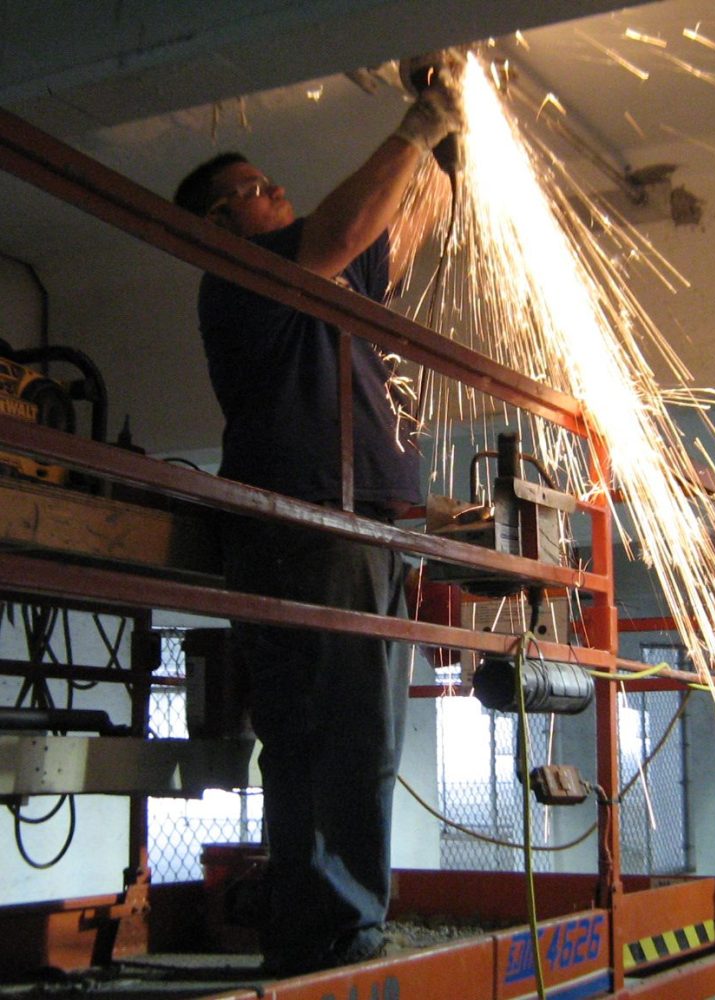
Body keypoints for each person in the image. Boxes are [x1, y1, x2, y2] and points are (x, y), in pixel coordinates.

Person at [173, 62, 463, 976]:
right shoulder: (239, 279)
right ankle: (334, 930)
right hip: (315, 523)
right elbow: (339, 229)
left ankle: (322, 923)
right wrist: (419, 121)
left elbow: (415, 218)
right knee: (337, 733)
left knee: (332, 733)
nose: (277, 190)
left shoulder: (319, 284)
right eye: (256, 189)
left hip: (340, 523)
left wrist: (454, 140)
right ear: (220, 224)